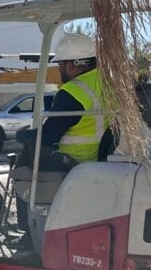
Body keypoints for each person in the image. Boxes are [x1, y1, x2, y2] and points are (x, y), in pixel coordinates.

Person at [36, 32, 107, 169]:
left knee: (28, 160)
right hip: (103, 158)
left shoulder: (71, 92)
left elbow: (48, 136)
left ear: (70, 66)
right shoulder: (108, 83)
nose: (59, 70)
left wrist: (26, 135)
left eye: (60, 65)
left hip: (77, 162)